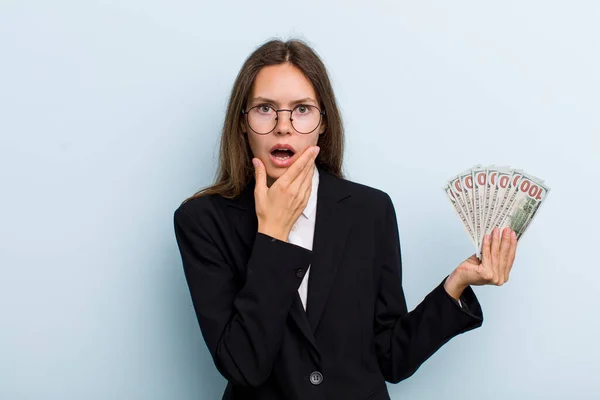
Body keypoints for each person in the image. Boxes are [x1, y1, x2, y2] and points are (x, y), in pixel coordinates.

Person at [173, 38, 518, 400]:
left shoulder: (371, 211)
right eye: (265, 109)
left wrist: (456, 285)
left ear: (323, 122)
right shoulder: (202, 221)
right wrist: (272, 236)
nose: (283, 126)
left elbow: (392, 358)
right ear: (242, 123)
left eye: (302, 109)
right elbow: (244, 364)